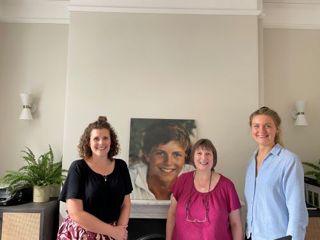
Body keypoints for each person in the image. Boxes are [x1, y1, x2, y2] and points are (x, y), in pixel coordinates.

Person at [57, 116, 132, 240]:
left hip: (114, 233)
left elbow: (126, 204)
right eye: (96, 138)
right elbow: (75, 213)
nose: (101, 143)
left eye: (105, 138)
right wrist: (112, 232)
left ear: (111, 141)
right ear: (88, 142)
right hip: (81, 233)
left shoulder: (121, 166)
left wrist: (121, 231)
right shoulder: (78, 167)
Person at [244, 106, 308, 240]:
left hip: (279, 237)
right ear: (251, 129)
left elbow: (298, 212)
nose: (261, 130)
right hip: (252, 235)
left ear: (276, 129)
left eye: (267, 125)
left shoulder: (289, 160)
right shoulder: (251, 161)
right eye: (256, 126)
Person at [166, 139, 242, 240]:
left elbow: (235, 224)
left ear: (214, 158)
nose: (203, 157)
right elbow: (172, 214)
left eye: (208, 154)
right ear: (193, 156)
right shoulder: (182, 180)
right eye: (199, 153)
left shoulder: (227, 186)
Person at [129, 123, 194, 200]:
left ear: (185, 157)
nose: (168, 162)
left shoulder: (195, 178)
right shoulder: (129, 180)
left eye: (176, 154)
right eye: (161, 153)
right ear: (147, 155)